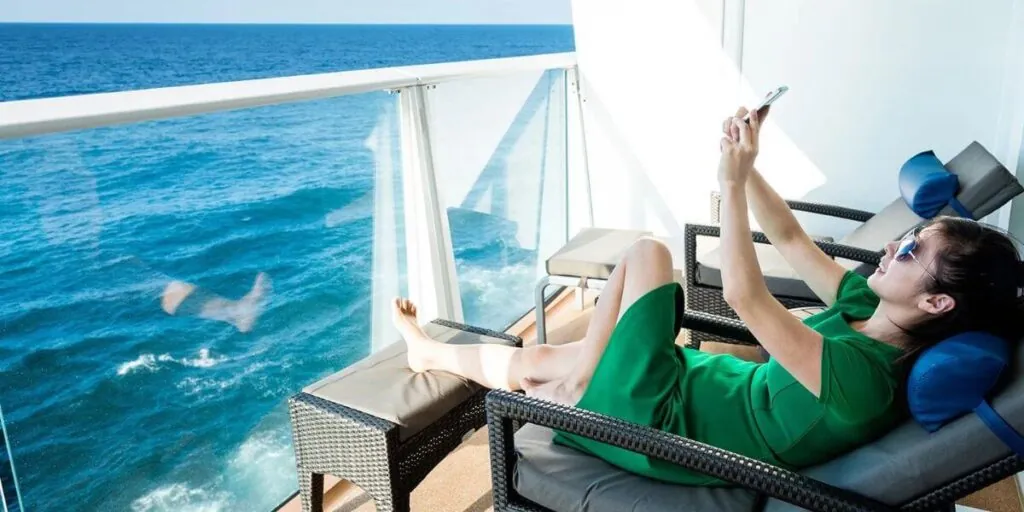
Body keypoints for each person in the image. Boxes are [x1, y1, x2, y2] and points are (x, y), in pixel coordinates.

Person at [389, 106, 1024, 485]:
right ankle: (431, 355)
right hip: (704, 385)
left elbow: (748, 299)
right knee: (530, 363)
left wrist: (728, 181)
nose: (893, 247)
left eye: (911, 251)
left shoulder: (866, 379)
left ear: (939, 303)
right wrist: (748, 162)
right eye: (905, 236)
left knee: (649, 253)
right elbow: (790, 237)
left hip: (671, 428)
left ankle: (584, 383)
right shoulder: (870, 307)